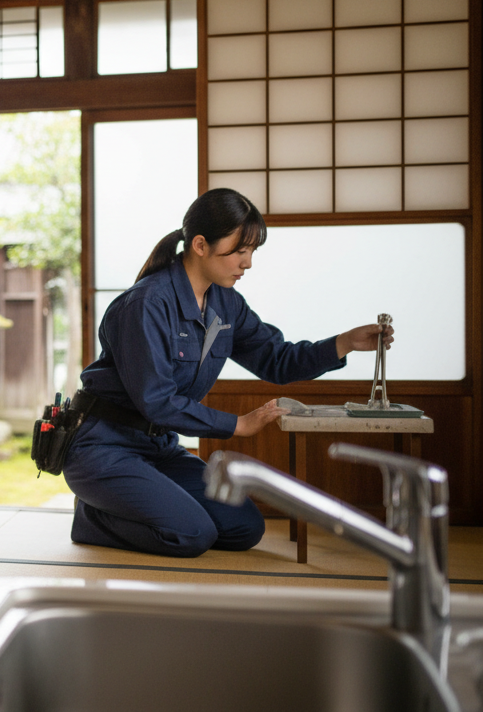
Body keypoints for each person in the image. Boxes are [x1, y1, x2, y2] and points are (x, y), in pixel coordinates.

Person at [61, 188, 392, 558]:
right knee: (192, 534)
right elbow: (157, 401)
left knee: (243, 528)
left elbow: (276, 360)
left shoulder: (226, 303)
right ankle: (93, 516)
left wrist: (343, 343)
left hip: (158, 449)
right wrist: (238, 424)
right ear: (200, 245)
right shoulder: (147, 304)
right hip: (103, 448)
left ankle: (144, 504)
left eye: (251, 252)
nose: (247, 263)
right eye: (239, 250)